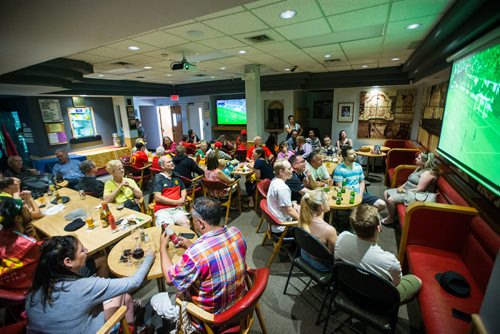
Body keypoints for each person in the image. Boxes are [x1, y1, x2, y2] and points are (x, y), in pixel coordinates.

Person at [152, 197, 247, 330]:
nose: (191, 222)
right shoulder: (236, 233)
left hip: (210, 320)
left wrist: (162, 248)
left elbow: (169, 278)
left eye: (192, 219)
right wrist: (190, 245)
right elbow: (213, 253)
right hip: (239, 306)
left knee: (156, 299)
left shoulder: (196, 253)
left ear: (201, 223)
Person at [26, 235, 154, 334]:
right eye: (82, 250)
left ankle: (133, 322)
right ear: (68, 261)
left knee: (126, 298)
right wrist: (149, 257)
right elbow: (134, 282)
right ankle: (132, 327)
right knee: (123, 294)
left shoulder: (37, 286)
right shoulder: (83, 286)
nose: (87, 251)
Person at [335, 204, 422, 303]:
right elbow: (396, 283)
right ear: (378, 227)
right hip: (376, 302)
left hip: (348, 290)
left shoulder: (342, 237)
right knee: (417, 280)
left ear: (353, 226)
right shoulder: (390, 261)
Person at [382, 151, 440, 225]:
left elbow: (419, 190)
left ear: (424, 162)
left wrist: (403, 191)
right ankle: (394, 215)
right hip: (407, 191)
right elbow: (409, 179)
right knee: (386, 193)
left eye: (418, 158)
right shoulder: (419, 168)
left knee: (390, 199)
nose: (416, 159)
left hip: (415, 195)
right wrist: (402, 186)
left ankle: (391, 218)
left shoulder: (427, 173)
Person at [333, 147, 386, 211]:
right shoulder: (339, 169)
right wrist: (352, 197)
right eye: (351, 154)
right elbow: (340, 187)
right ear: (345, 157)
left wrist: (360, 195)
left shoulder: (358, 166)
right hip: (348, 196)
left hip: (359, 194)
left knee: (382, 204)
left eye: (354, 153)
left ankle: (368, 216)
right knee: (357, 211)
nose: (355, 155)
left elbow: (361, 182)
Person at [298, 189, 337, 272]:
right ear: (321, 206)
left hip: (304, 255)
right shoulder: (329, 230)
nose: (329, 203)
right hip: (321, 266)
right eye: (327, 200)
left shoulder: (303, 220)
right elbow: (332, 258)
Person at [152, 156, 190, 228]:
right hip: (163, 209)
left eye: (171, 161)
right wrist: (176, 202)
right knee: (169, 228)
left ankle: (184, 239)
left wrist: (183, 198)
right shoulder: (159, 179)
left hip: (177, 209)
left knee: (186, 223)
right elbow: (157, 198)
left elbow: (183, 189)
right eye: (169, 162)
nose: (172, 163)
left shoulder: (176, 177)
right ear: (162, 166)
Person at [267, 159, 299, 234]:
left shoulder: (274, 180)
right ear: (281, 172)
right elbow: (289, 210)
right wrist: (304, 222)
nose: (292, 170)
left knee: (299, 207)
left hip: (275, 224)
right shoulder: (282, 188)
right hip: (282, 228)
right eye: (289, 168)